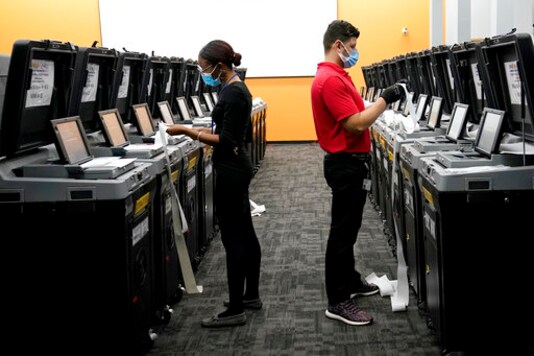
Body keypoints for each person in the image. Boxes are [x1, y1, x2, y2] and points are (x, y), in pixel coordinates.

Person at [310, 20, 404, 326]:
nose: (354, 52)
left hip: (351, 162)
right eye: (351, 47)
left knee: (349, 229)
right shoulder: (331, 80)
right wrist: (385, 99)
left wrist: (375, 104)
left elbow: (357, 112)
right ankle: (337, 301)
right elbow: (356, 124)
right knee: (341, 232)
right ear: (338, 46)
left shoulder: (338, 76)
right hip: (345, 164)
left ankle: (349, 281)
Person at [166, 40, 262, 328]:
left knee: (234, 238)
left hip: (232, 170)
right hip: (235, 166)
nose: (202, 72)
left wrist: (187, 131)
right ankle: (250, 296)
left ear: (219, 66)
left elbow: (227, 139)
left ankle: (235, 309)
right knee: (245, 232)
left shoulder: (233, 92)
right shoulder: (232, 87)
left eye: (204, 67)